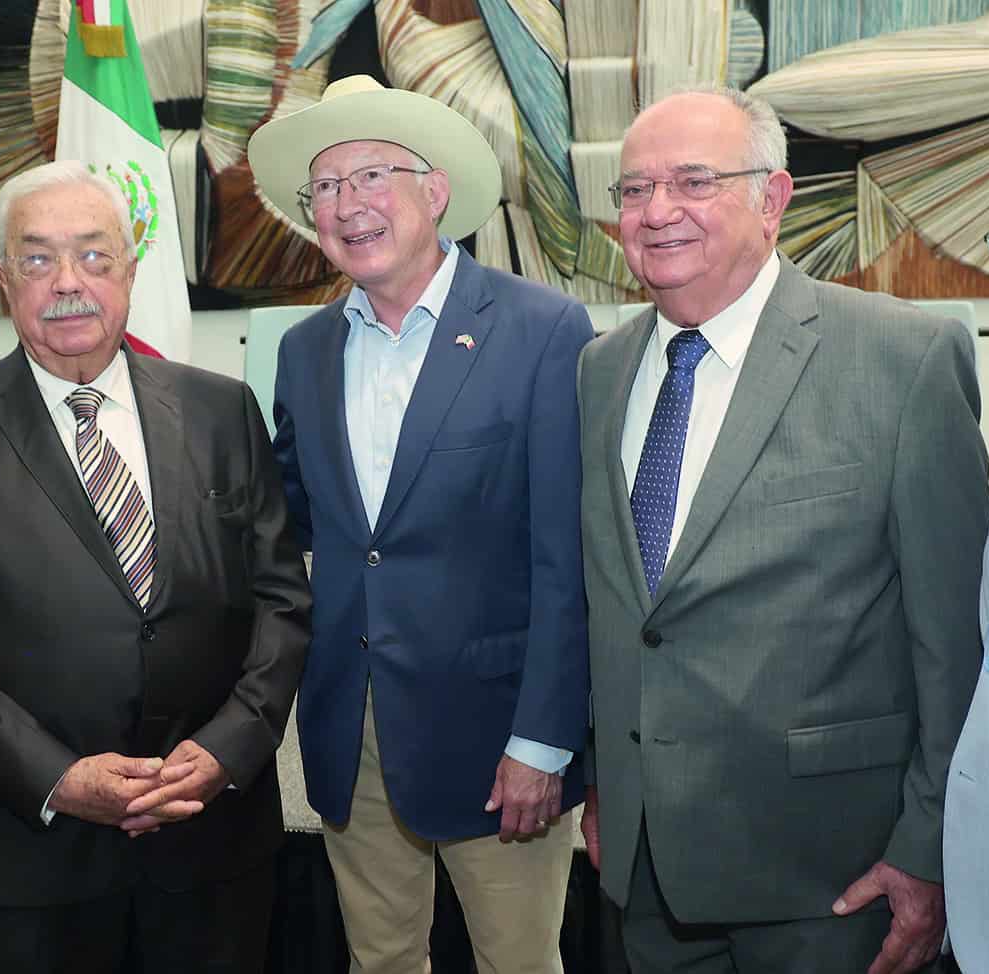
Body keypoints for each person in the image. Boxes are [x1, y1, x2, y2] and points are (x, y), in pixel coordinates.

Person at [577, 86, 989, 973]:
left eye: (694, 181)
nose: (657, 211)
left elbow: (958, 642)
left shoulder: (904, 358)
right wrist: (609, 784)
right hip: (649, 876)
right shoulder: (598, 372)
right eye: (635, 190)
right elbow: (622, 613)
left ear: (772, 199)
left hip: (835, 879)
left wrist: (930, 846)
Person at [0, 160, 311, 974]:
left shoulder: (221, 409)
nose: (69, 282)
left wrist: (227, 748)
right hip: (33, 856)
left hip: (211, 845)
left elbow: (282, 601)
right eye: (38, 258)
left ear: (131, 271)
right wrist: (60, 778)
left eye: (93, 255)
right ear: (3, 279)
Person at [248, 76, 593, 973]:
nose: (346, 204)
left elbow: (567, 558)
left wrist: (543, 741)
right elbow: (289, 522)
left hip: (497, 735)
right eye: (325, 187)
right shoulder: (303, 350)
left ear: (434, 192)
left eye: (371, 176)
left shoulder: (543, 329)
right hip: (350, 726)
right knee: (381, 962)